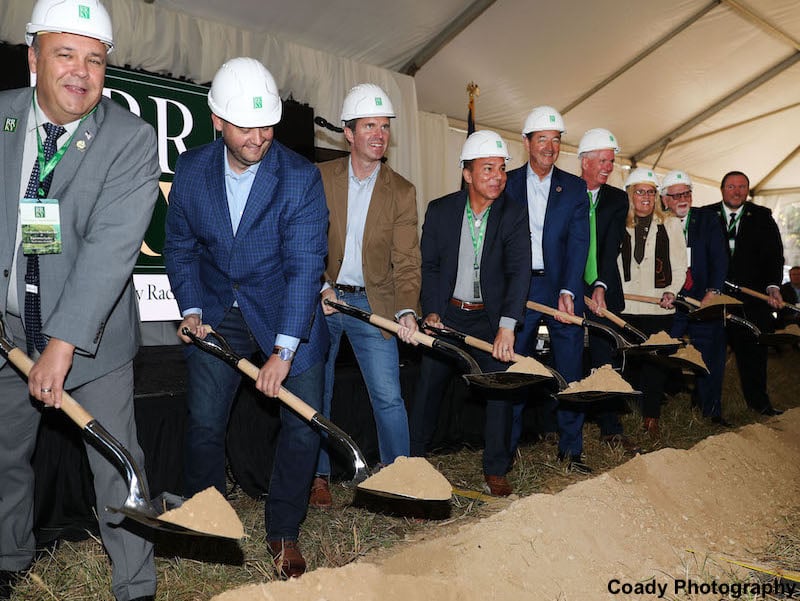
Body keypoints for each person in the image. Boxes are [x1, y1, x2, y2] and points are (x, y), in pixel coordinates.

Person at [0, 1, 159, 599]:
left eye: (95, 59)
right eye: (65, 54)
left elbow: (110, 252)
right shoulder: (2, 119)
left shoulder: (129, 139)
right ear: (33, 57)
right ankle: (9, 554)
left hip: (91, 342)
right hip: (8, 328)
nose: (81, 72)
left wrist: (61, 344)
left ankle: (136, 584)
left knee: (118, 464)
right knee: (4, 454)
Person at [163, 57, 329, 578]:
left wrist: (284, 351)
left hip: (288, 313)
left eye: (266, 124)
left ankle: (283, 531)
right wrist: (191, 308)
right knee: (205, 422)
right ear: (217, 120)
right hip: (217, 310)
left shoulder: (299, 178)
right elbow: (179, 246)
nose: (259, 136)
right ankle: (207, 518)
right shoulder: (191, 171)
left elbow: (306, 266)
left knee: (302, 429)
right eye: (244, 125)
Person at [313, 84, 420, 509]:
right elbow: (304, 241)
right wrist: (319, 285)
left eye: (384, 126)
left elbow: (407, 260)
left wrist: (408, 311)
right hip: (323, 297)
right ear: (348, 132)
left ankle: (401, 481)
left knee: (388, 396)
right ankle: (317, 477)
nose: (379, 133)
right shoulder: (319, 178)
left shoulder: (402, 191)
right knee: (315, 390)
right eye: (369, 125)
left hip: (375, 303)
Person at [411, 130, 531, 496]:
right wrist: (431, 311)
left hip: (488, 320)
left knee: (499, 391)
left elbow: (519, 271)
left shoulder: (512, 213)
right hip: (446, 317)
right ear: (467, 173)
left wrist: (507, 327)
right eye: (488, 168)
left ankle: (496, 469)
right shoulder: (441, 210)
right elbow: (428, 266)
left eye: (502, 169)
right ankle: (411, 464)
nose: (497, 176)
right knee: (427, 391)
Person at [505, 106, 591, 473]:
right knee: (514, 369)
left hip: (560, 289)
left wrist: (570, 288)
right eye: (542, 139)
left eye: (556, 141)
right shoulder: (505, 183)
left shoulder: (573, 187)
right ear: (526, 143)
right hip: (520, 289)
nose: (549, 147)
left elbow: (579, 242)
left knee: (571, 368)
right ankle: (503, 452)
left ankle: (571, 450)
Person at [577, 128, 639, 454]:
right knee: (568, 354)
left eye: (611, 161)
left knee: (606, 358)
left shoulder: (617, 198)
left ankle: (610, 428)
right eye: (602, 160)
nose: (608, 167)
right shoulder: (566, 192)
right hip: (569, 285)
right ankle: (560, 426)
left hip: (603, 284)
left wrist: (599, 283)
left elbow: (611, 244)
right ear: (584, 161)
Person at [618, 168, 687, 439]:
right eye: (639, 191)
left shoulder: (669, 224)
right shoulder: (620, 223)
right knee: (626, 364)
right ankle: (623, 415)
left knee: (655, 366)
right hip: (625, 309)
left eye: (650, 191)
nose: (645, 197)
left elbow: (680, 265)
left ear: (656, 196)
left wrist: (671, 291)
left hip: (657, 308)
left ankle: (651, 417)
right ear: (630, 195)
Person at [709, 171, 784, 416]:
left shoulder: (762, 216)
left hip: (751, 300)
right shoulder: (705, 215)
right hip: (715, 297)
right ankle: (707, 406)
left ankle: (759, 404)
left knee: (753, 352)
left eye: (742, 186)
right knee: (710, 352)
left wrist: (773, 285)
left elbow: (774, 255)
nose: (737, 191)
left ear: (748, 190)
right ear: (722, 190)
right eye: (731, 186)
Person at [661, 170, 730, 425]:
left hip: (702, 298)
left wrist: (713, 290)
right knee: (660, 350)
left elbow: (720, 257)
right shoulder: (658, 221)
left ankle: (711, 410)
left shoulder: (707, 219)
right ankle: (652, 406)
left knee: (710, 353)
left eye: (686, 193)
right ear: (664, 199)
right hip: (669, 300)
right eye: (676, 195)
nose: (683, 199)